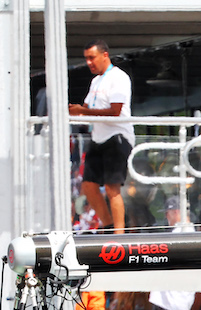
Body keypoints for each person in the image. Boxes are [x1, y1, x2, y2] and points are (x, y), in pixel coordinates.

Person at [69, 40, 133, 235]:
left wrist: (83, 111)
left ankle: (119, 234)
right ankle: (108, 225)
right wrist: (77, 111)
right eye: (86, 58)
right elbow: (88, 108)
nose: (89, 62)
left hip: (117, 136)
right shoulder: (96, 80)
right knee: (88, 185)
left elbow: (115, 111)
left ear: (105, 55)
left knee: (112, 187)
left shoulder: (118, 77)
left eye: (92, 58)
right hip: (98, 138)